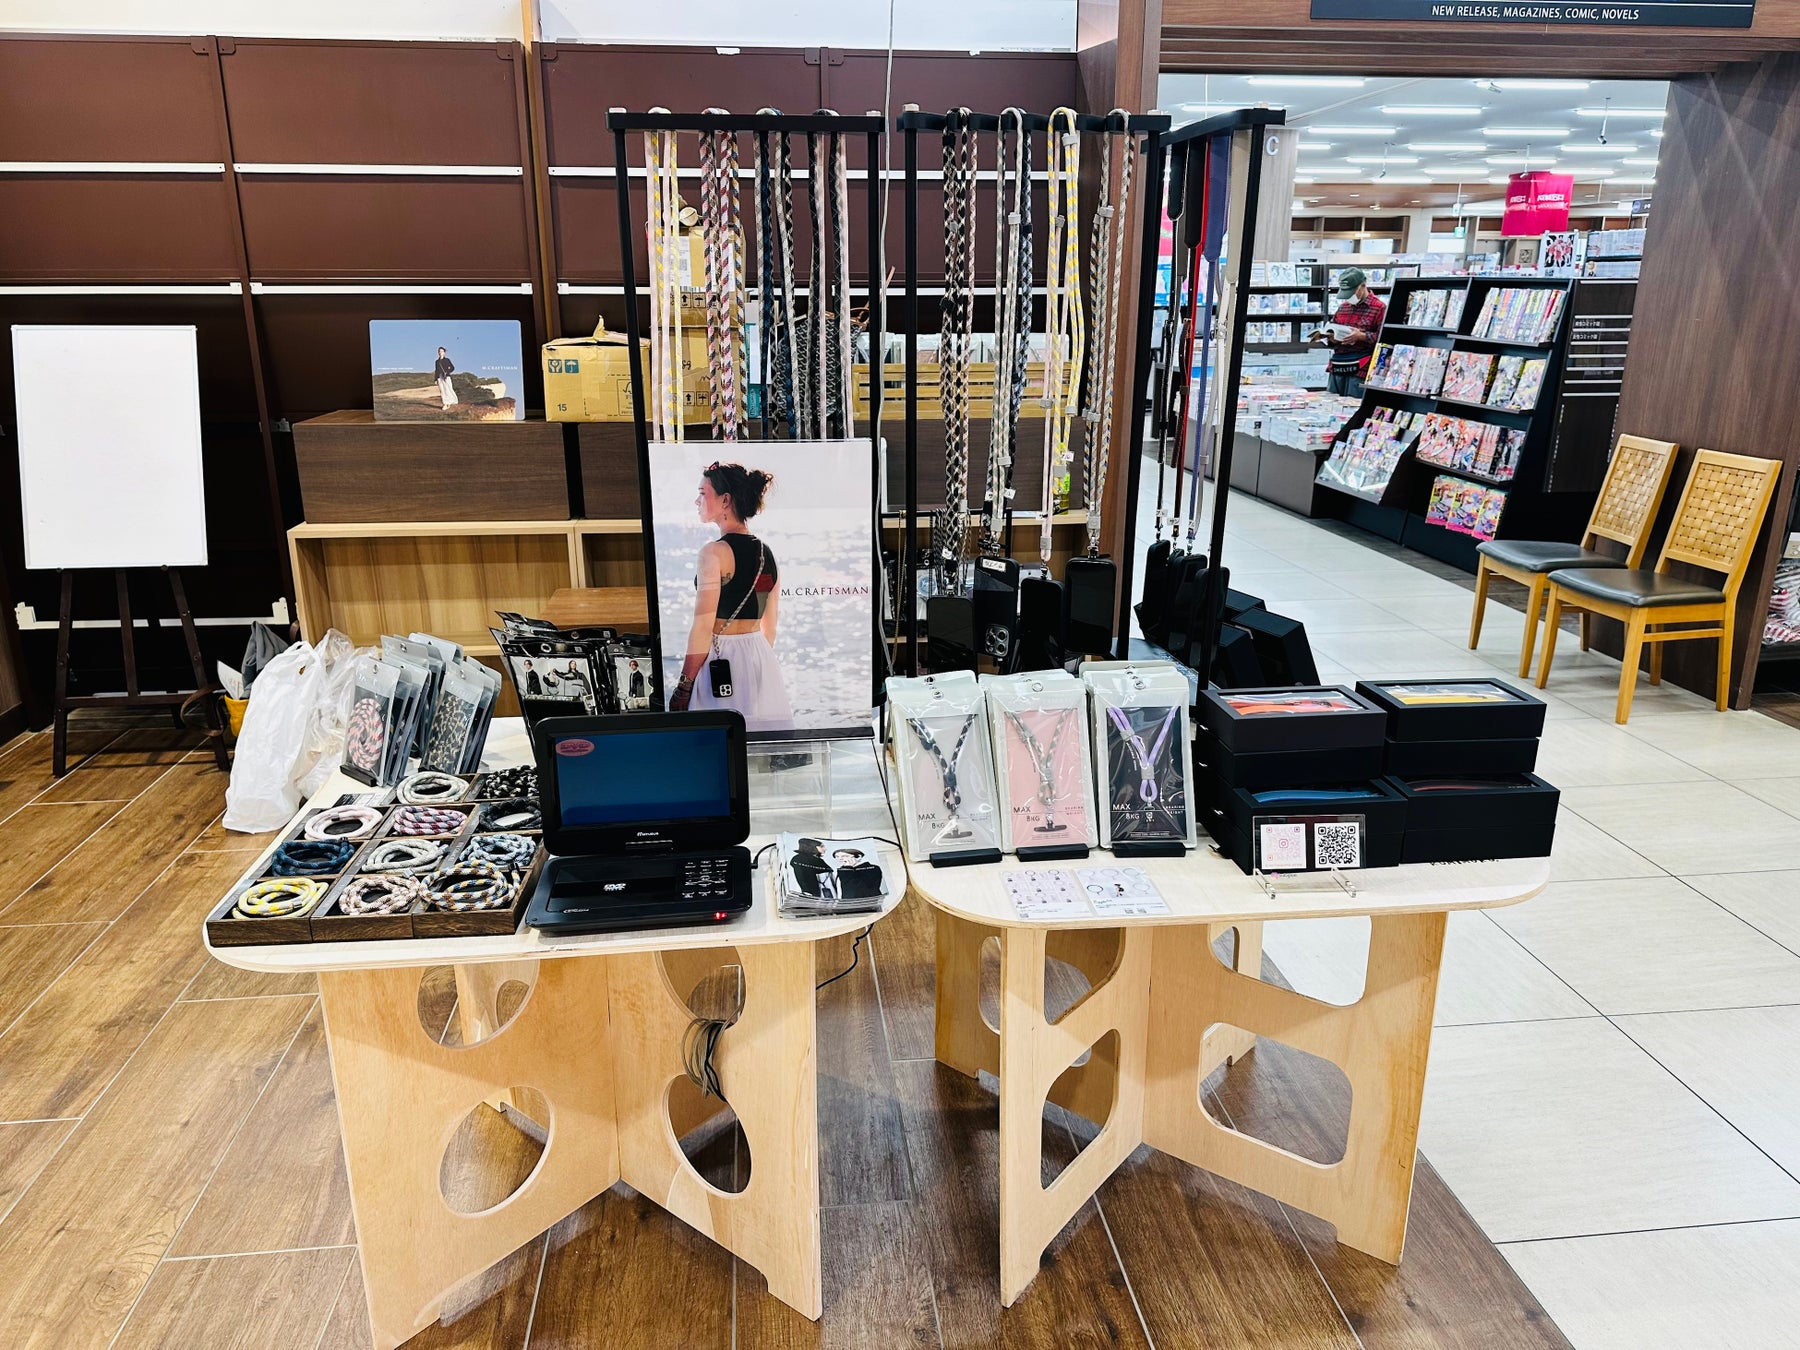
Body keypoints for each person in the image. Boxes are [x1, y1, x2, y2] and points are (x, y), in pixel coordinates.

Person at [669, 461, 794, 731]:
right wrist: (752, 660)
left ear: (725, 500)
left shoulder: (713, 553)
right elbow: (770, 628)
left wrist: (684, 686)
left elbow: (702, 627)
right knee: (760, 743)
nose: (697, 501)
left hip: (721, 657)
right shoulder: (767, 553)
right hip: (760, 657)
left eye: (702, 493)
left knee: (719, 741)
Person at [1313, 267, 1386, 397]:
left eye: (1351, 292)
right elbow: (1333, 328)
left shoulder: (1379, 308)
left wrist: (1362, 336)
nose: (1348, 298)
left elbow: (1384, 340)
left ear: (1362, 286)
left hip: (1360, 369)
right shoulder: (1343, 307)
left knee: (1354, 405)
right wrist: (1332, 338)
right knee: (1331, 403)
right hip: (1337, 366)